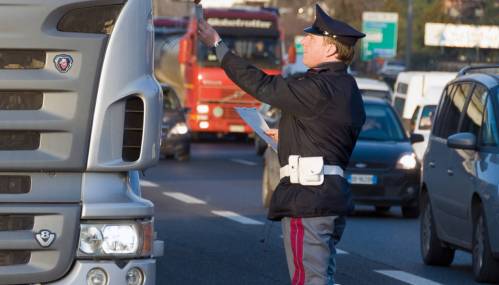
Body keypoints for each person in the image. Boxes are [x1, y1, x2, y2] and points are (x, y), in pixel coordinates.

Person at [198, 4, 366, 285]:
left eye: (311, 38)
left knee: (308, 280)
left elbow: (261, 85)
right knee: (322, 277)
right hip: (329, 198)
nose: (303, 41)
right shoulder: (346, 88)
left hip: (308, 200)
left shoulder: (317, 87)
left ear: (331, 50)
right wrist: (287, 135)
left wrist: (218, 45)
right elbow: (327, 137)